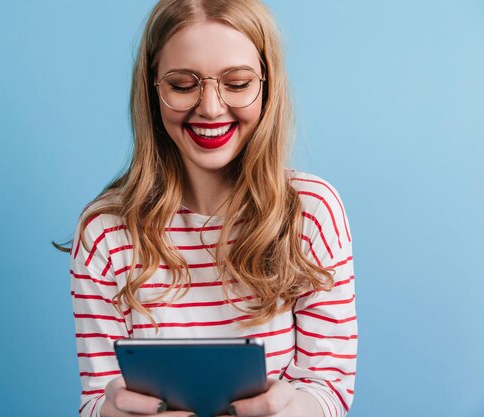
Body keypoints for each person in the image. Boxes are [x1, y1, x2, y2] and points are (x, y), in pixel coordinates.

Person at [68, 0, 357, 416]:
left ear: (267, 86)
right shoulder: (104, 233)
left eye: (237, 83)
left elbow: (329, 387)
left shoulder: (311, 213)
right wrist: (111, 411)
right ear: (153, 90)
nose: (210, 107)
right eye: (183, 85)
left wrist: (293, 409)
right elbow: (97, 399)